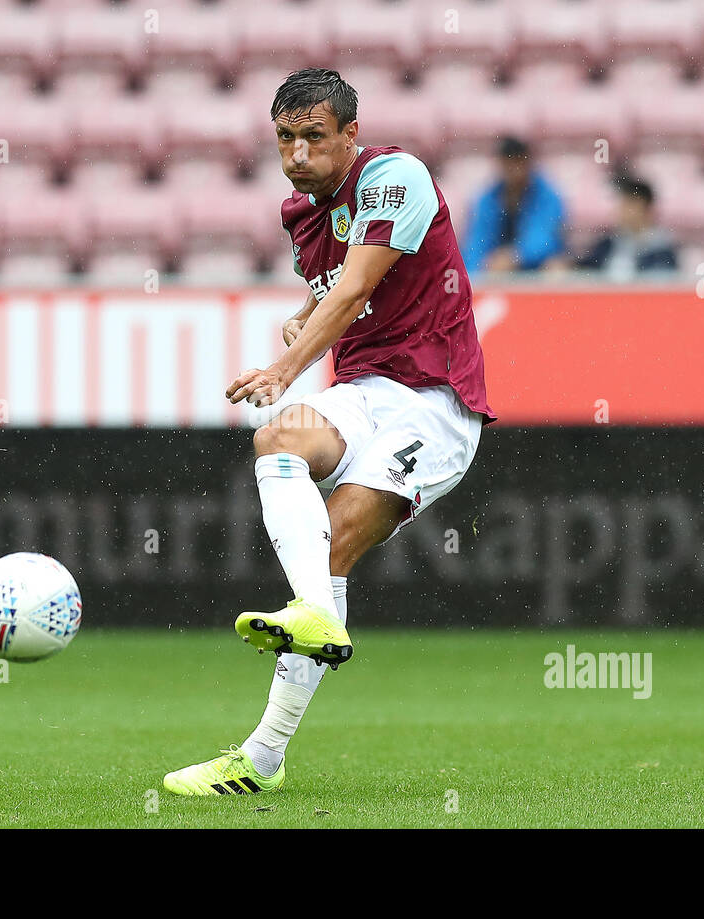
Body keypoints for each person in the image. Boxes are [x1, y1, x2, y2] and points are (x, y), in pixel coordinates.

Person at [163, 69, 495, 796]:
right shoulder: (302, 215)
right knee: (276, 443)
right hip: (365, 391)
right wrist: (299, 322)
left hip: (436, 403)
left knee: (336, 541)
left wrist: (286, 362)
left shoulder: (395, 176)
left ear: (350, 133)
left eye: (315, 136)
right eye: (285, 138)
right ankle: (308, 634)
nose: (298, 152)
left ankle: (261, 756)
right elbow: (331, 298)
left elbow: (353, 291)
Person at [461, 136, 565, 273]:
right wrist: (478, 271)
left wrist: (515, 256)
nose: (513, 171)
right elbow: (476, 244)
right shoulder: (488, 199)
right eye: (508, 164)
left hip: (536, 270)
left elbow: (545, 240)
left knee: (555, 268)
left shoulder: (547, 196)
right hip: (495, 273)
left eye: (517, 163)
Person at [576, 176, 678, 278]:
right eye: (621, 204)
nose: (620, 210)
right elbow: (586, 268)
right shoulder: (608, 243)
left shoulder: (662, 249)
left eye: (628, 204)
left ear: (645, 207)